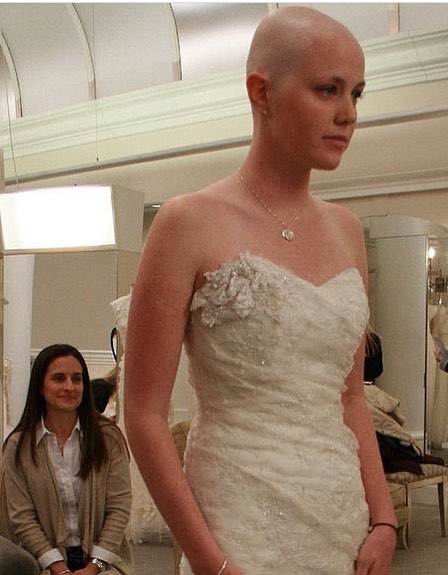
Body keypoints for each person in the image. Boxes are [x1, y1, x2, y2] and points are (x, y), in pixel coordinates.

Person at [124, 6, 397, 575]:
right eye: (327, 89)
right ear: (261, 93)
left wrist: (383, 519)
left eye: (356, 94)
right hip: (238, 529)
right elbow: (144, 415)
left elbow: (350, 397)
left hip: (340, 520)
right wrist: (211, 563)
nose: (348, 114)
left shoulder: (347, 230)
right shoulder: (187, 222)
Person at [0, 344, 133, 575]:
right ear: (40, 386)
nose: (69, 387)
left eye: (77, 379)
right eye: (59, 378)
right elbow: (22, 517)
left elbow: (119, 507)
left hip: (104, 564)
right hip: (42, 564)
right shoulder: (18, 446)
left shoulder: (108, 438)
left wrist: (94, 567)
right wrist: (58, 568)